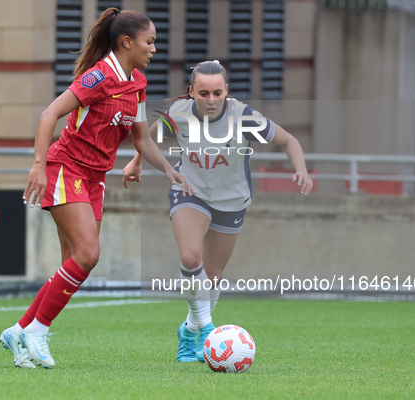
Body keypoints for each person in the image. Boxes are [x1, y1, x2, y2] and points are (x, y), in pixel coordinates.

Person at [0, 8, 192, 369]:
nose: (153, 49)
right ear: (126, 42)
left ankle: (19, 329)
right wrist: (38, 166)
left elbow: (140, 139)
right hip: (66, 167)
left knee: (75, 263)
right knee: (88, 254)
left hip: (95, 178)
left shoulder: (137, 83)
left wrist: (168, 169)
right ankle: (37, 332)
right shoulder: (97, 77)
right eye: (149, 42)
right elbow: (48, 115)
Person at [124, 60, 313, 363]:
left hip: (231, 200)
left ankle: (188, 332)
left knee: (212, 276)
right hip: (190, 192)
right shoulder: (179, 114)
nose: (210, 100)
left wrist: (300, 169)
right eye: (203, 93)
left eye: (216, 93)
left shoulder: (244, 117)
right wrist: (136, 162)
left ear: (226, 91)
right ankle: (208, 330)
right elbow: (148, 138)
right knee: (190, 258)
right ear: (191, 92)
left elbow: (289, 140)